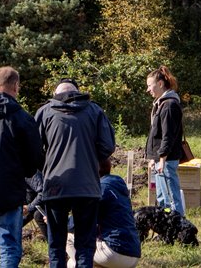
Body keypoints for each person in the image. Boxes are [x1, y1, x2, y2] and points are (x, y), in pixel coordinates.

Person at [36, 80, 117, 268]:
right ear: (77, 93)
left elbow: (33, 148)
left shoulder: (45, 112)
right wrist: (89, 157)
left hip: (56, 185)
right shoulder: (94, 111)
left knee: (56, 242)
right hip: (87, 185)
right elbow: (107, 146)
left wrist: (49, 162)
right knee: (85, 243)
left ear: (56, 94)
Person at [0, 66, 43, 268]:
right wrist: (26, 172)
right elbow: (35, 158)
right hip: (11, 189)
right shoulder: (23, 118)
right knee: (10, 246)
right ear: (16, 87)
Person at [68, 158, 141, 268]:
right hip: (133, 253)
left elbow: (77, 223)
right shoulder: (117, 186)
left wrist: (56, 221)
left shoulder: (98, 189)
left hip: (114, 252)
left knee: (68, 239)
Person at [146, 66, 186, 216]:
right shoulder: (161, 103)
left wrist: (162, 159)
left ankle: (178, 225)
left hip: (167, 159)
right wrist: (153, 158)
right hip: (160, 158)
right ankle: (166, 226)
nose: (148, 89)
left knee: (171, 196)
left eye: (150, 85)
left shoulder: (169, 105)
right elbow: (156, 134)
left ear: (160, 84)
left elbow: (168, 135)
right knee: (162, 197)